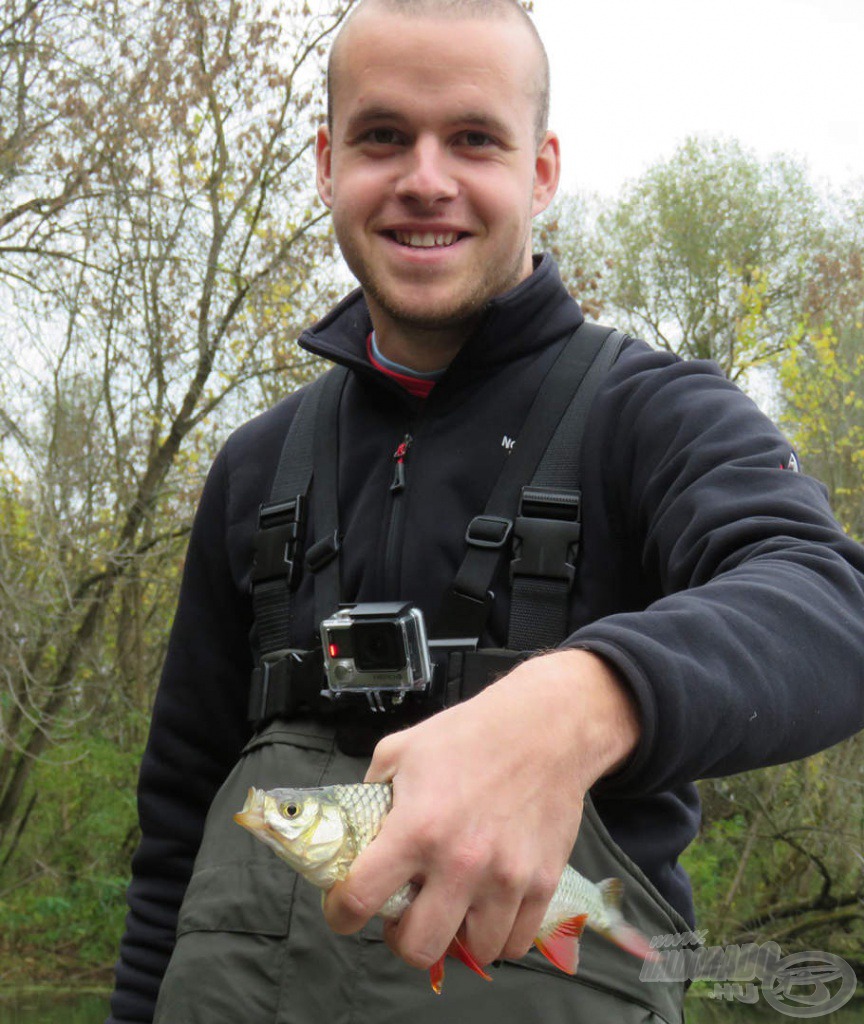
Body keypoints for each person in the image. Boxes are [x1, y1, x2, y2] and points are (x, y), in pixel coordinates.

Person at [107, 1, 864, 1022]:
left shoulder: (655, 414)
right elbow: (171, 847)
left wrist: (581, 704)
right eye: (383, 137)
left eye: (473, 138)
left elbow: (831, 603)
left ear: (542, 170)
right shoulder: (251, 467)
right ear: (328, 163)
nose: (427, 178)